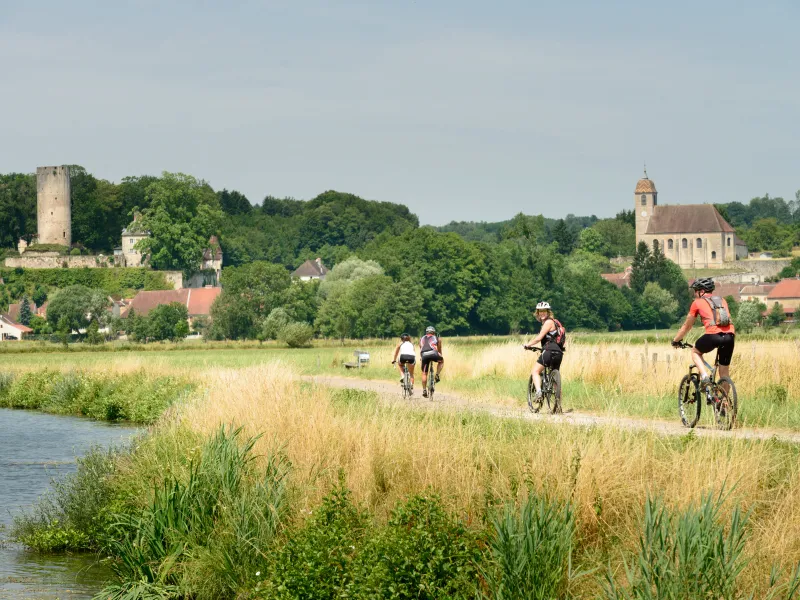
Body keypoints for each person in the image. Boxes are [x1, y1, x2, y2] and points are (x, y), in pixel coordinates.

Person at [672, 278, 735, 397]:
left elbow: (687, 326)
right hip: (729, 336)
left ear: (701, 291)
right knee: (724, 373)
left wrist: (676, 340)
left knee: (695, 351)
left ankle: (705, 377)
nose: (695, 294)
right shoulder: (722, 300)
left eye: (696, 291)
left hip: (713, 335)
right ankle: (724, 403)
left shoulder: (697, 303)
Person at [523, 302, 565, 404]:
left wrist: (528, 345)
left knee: (535, 372)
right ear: (537, 313)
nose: (542, 313)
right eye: (540, 311)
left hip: (549, 351)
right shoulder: (555, 323)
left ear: (548, 312)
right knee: (555, 379)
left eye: (544, 311)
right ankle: (558, 405)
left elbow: (539, 337)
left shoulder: (548, 322)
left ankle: (538, 393)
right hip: (558, 352)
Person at [419, 326, 444, 397]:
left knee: (424, 373)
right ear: (433, 332)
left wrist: (421, 357)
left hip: (424, 355)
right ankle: (437, 375)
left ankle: (424, 389)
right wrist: (440, 355)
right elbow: (439, 348)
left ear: (426, 332)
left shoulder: (421, 338)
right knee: (441, 361)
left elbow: (421, 348)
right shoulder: (436, 338)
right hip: (434, 353)